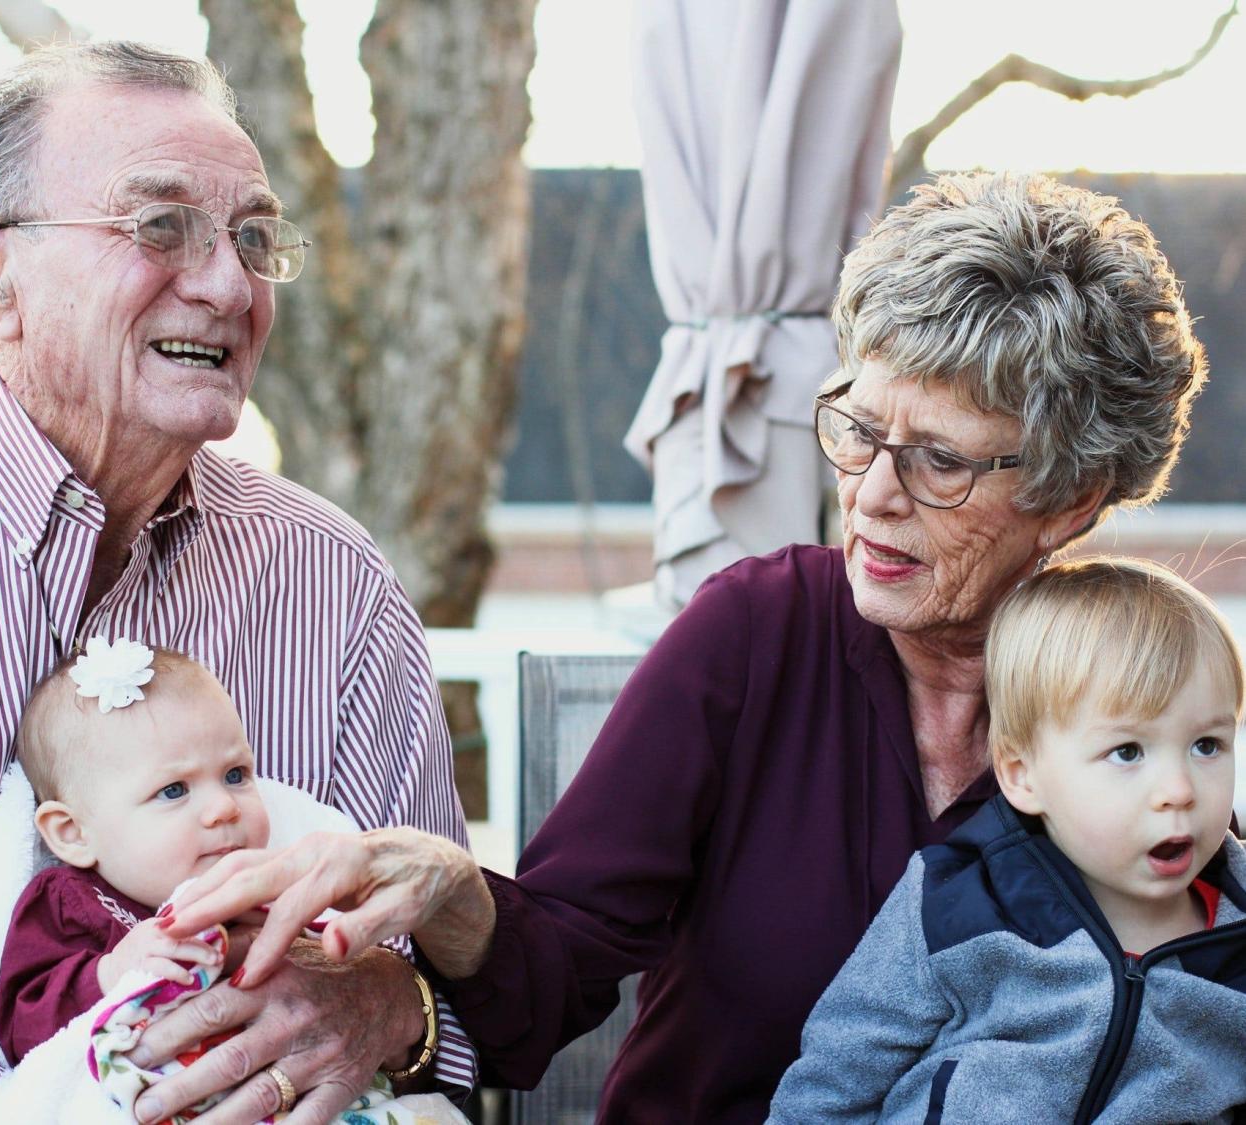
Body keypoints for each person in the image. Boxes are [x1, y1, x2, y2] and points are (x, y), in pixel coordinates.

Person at [155, 172, 1211, 1122]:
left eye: (940, 461)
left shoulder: (1147, 701)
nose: (873, 497)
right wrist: (455, 887)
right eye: (857, 428)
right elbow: (549, 981)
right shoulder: (757, 636)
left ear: (1069, 501)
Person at [0, 42, 473, 1124]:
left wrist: (393, 1004)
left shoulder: (332, 578)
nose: (229, 284)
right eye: (160, 226)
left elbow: (451, 1009)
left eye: (256, 239)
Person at [769, 558, 1246, 1121]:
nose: (1178, 789)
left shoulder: (1235, 939)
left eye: (1207, 745)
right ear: (1022, 775)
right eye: (1128, 752)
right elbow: (836, 1077)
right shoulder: (958, 904)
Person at [0, 640, 272, 1065]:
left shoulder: (269, 888)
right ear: (73, 833)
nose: (225, 807)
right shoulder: (73, 902)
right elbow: (21, 1026)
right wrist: (110, 973)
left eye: (236, 774)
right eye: (174, 790)